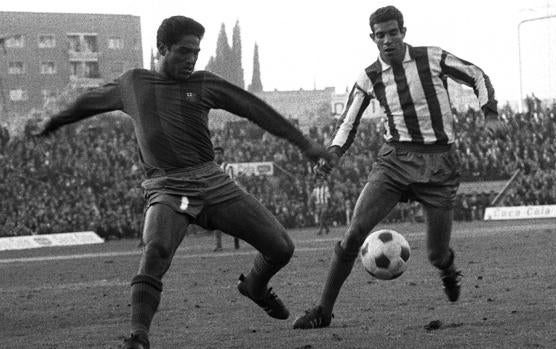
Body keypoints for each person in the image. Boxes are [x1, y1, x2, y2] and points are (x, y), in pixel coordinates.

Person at [30, 15, 335, 349]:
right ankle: (138, 336)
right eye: (184, 51)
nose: (192, 59)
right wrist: (55, 121)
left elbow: (253, 108)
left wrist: (305, 144)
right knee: (156, 249)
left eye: (196, 52)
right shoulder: (135, 84)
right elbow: (90, 101)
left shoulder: (204, 84)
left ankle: (255, 287)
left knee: (281, 248)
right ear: (163, 49)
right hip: (170, 190)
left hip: (213, 183)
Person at [293, 5, 507, 329]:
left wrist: (489, 113)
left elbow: (477, 74)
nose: (388, 40)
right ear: (373, 38)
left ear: (403, 32)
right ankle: (322, 310)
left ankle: (447, 269)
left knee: (436, 254)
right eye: (381, 35)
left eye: (394, 32)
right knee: (353, 235)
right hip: (394, 161)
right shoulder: (369, 76)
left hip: (439, 163)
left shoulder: (432, 58)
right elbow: (348, 120)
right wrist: (333, 154)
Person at [212, 146, 240, 251]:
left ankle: (236, 240)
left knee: (234, 222)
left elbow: (232, 182)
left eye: (219, 153)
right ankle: (218, 246)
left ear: (223, 155)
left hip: (228, 197)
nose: (217, 155)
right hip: (216, 198)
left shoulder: (229, 167)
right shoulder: (212, 167)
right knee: (216, 222)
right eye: (216, 153)